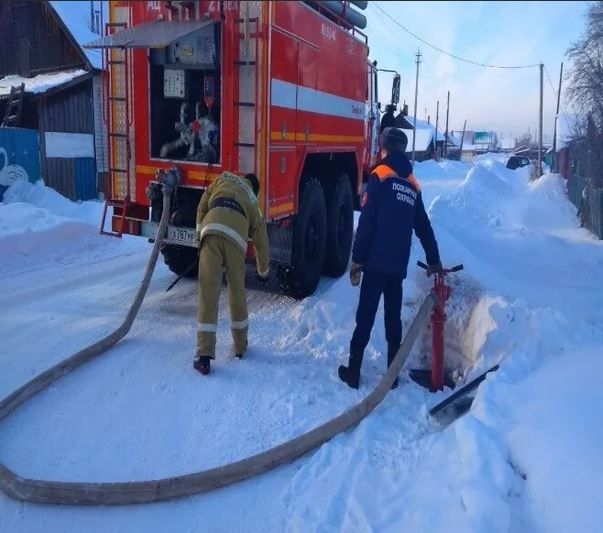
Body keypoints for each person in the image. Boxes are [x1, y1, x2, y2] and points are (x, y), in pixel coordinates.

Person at [339, 127, 442, 390]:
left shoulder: (379, 176)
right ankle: (392, 376)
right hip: (397, 266)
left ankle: (353, 372)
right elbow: (424, 226)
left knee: (365, 316)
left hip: (374, 263)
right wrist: (434, 260)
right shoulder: (412, 184)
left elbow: (367, 223)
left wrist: (357, 259)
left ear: (384, 149)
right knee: (393, 320)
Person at [194, 171, 270, 375]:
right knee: (237, 292)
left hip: (210, 228)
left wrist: (199, 237)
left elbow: (202, 204)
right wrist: (263, 270)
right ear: (254, 188)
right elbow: (262, 239)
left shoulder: (223, 178)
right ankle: (240, 347)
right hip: (236, 239)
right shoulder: (253, 200)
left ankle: (204, 355)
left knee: (208, 293)